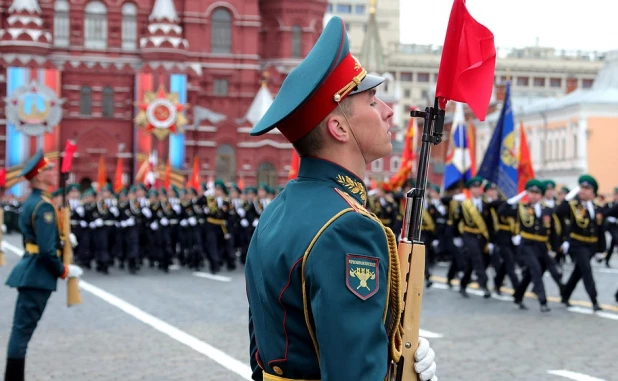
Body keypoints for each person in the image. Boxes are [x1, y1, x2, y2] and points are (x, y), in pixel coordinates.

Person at [244, 17, 437, 381]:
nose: (388, 112)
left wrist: (390, 349)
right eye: (372, 100)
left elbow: (268, 350)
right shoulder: (349, 227)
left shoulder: (278, 210)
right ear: (339, 128)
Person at [4, 149, 83, 381]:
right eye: (47, 169)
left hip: (31, 270)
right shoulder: (44, 207)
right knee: (22, 333)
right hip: (37, 275)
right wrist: (65, 270)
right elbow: (47, 251)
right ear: (38, 176)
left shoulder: (33, 202)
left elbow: (36, 239)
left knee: (21, 331)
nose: (52, 172)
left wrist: (62, 239)